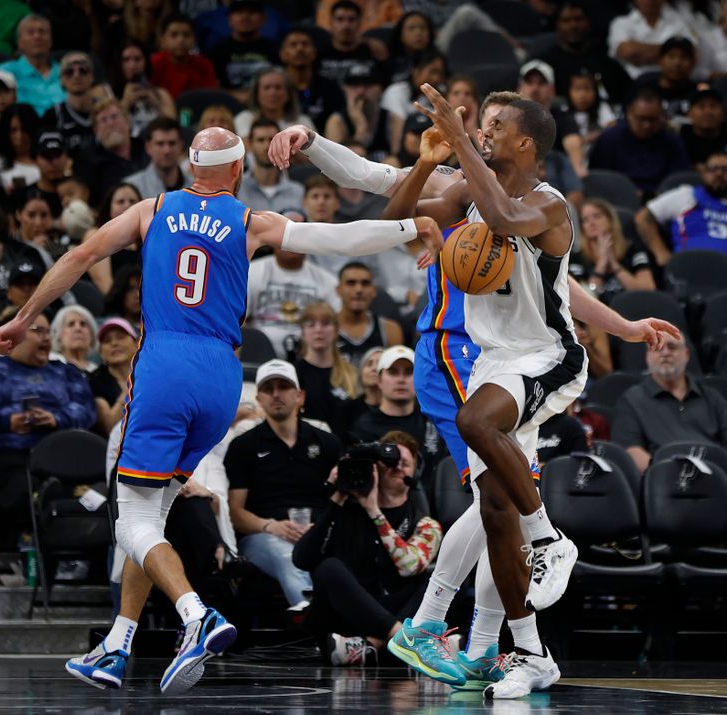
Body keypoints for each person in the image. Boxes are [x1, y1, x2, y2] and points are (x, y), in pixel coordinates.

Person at [0, 124, 442, 693]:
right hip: (224, 378)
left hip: (166, 361)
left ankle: (194, 615)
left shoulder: (152, 209)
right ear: (236, 172)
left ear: (188, 166)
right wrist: (411, 225)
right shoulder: (251, 222)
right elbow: (337, 240)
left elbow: (81, 254)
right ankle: (116, 644)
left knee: (129, 517)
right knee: (153, 515)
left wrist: (23, 317)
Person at [267, 94, 680, 698]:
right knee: (495, 505)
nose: (480, 132)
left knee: (495, 482)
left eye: (493, 126)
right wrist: (321, 142)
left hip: (541, 359)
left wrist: (623, 328)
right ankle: (522, 650)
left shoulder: (545, 202)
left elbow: (543, 266)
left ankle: (491, 594)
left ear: (524, 145)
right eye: (479, 124)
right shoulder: (465, 189)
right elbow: (390, 195)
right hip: (486, 357)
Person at [293, 430, 442, 666]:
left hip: (394, 606)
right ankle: (402, 641)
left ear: (416, 473)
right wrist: (336, 498)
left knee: (436, 578)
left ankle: (372, 646)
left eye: (405, 464)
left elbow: (409, 567)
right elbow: (301, 559)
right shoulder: (344, 511)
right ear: (375, 468)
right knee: (328, 568)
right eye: (390, 462)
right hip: (349, 611)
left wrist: (374, 510)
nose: (397, 468)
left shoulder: (426, 524)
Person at [0, 309, 96, 547]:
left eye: (48, 332)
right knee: (23, 487)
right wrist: (5, 421)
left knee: (76, 485)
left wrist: (56, 418)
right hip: (2, 454)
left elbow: (86, 409)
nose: (46, 338)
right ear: (13, 337)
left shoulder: (66, 372)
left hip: (58, 455)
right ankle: (30, 539)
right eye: (37, 331)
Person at [226, 358, 339, 609]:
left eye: (283, 386)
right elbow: (234, 511)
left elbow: (341, 500)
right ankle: (313, 623)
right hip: (263, 535)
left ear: (300, 396)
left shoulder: (327, 443)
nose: (276, 394)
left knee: (344, 555)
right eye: (268, 388)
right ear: (259, 399)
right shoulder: (243, 446)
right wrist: (271, 526)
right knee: (289, 556)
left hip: (319, 532)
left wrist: (319, 528)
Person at [612, 332, 727, 473]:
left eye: (672, 347)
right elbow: (630, 450)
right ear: (647, 356)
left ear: (686, 354)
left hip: (716, 478)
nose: (665, 353)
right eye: (658, 348)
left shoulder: (712, 398)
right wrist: (668, 476)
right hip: (664, 484)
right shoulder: (631, 400)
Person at [350, 344, 447, 498]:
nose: (401, 379)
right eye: (393, 372)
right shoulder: (362, 427)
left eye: (409, 372)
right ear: (379, 380)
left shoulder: (434, 422)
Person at [588, 87, 690, 201]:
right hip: (618, 200)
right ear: (629, 113)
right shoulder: (609, 139)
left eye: (652, 120)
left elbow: (679, 180)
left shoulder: (672, 141)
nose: (647, 125)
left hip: (662, 200)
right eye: (641, 119)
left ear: (662, 116)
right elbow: (599, 179)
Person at [635, 151, 727, 266]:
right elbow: (643, 217)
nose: (719, 174)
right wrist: (661, 253)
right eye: (713, 169)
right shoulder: (686, 195)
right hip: (690, 267)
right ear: (703, 173)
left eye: (725, 169)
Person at [534, 0, 632, 104]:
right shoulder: (543, 64)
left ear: (589, 23)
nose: (573, 26)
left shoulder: (607, 64)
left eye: (578, 19)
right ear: (557, 26)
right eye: (566, 21)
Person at [571, 198, 655, 304]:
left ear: (610, 220)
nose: (591, 223)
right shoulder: (577, 258)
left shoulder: (632, 250)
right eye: (585, 220)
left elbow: (648, 290)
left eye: (597, 216)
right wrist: (601, 266)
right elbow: (580, 302)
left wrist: (614, 265)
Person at [294, 301, 358, 434]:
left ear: (336, 330)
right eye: (310, 324)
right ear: (302, 332)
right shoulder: (293, 372)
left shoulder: (351, 373)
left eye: (326, 323)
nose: (318, 330)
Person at [73, 99, 148, 206]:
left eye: (114, 116)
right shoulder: (88, 163)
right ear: (96, 130)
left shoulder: (147, 148)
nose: (110, 123)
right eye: (103, 120)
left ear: (127, 121)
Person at [0, 14, 65, 117]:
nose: (37, 36)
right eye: (31, 32)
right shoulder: (4, 72)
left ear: (51, 40)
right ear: (19, 42)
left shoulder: (67, 72)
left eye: (42, 32)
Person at [208, 0, 278, 104]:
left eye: (251, 12)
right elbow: (212, 86)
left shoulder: (275, 49)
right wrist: (234, 95)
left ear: (263, 19)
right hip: (227, 104)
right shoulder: (216, 51)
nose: (245, 17)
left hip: (267, 103)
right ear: (230, 19)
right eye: (239, 12)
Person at [335, 261, 403, 367]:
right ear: (338, 290)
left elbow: (397, 374)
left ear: (374, 291)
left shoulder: (390, 330)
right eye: (351, 283)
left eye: (365, 283)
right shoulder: (323, 330)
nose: (359, 289)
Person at [279, 29, 345, 136]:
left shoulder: (330, 87)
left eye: (305, 44)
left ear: (314, 53)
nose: (300, 49)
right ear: (283, 55)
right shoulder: (277, 88)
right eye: (293, 45)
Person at [82, 183, 143, 295]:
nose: (127, 205)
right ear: (109, 209)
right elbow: (105, 285)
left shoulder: (148, 238)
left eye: (132, 201)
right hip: (114, 305)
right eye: (120, 201)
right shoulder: (95, 234)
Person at [608, 0, 693, 79]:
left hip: (673, 83)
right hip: (632, 84)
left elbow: (692, 53)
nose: (651, 1)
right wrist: (672, 50)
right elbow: (628, 52)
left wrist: (639, 50)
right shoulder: (621, 23)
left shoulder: (679, 23)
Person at [113, 38, 177, 140]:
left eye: (137, 59)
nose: (132, 65)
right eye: (126, 60)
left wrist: (155, 101)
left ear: (146, 62)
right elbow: (111, 129)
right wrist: (125, 102)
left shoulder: (161, 94)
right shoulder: (110, 94)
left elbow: (173, 127)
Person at [236, 119, 305, 213]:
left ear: (282, 143)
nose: (267, 146)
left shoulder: (298, 191)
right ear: (250, 144)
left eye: (272, 140)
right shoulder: (237, 189)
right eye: (260, 140)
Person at [88, 317, 139, 435]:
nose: (114, 343)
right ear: (100, 352)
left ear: (137, 343)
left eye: (120, 337)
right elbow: (110, 427)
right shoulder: (94, 382)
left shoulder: (152, 375)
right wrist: (130, 388)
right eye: (106, 340)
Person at [234, 66, 316, 139]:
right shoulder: (244, 119)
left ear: (288, 94)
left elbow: (315, 152)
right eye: (267, 88)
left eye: (278, 87)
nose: (272, 92)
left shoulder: (303, 122)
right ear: (256, 94)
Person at [150, 13, 217, 99]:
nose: (181, 40)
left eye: (186, 35)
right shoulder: (153, 64)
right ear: (162, 41)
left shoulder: (204, 65)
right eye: (174, 35)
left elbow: (209, 96)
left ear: (194, 40)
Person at [124, 117, 193, 198]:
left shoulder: (195, 187)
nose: (167, 150)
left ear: (181, 146)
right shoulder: (130, 189)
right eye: (160, 144)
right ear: (148, 147)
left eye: (172, 143)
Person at [634, 35, 697, 124]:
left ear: (693, 63)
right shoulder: (643, 88)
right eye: (671, 56)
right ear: (660, 60)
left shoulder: (698, 93)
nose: (677, 63)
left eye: (684, 57)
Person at [44, 52, 96, 157]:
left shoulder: (106, 111)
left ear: (92, 77)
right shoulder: (52, 116)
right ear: (61, 80)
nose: (76, 75)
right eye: (69, 72)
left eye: (83, 70)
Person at [679, 86, 727, 171]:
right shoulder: (680, 139)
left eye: (713, 106)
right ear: (690, 113)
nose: (708, 112)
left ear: (723, 113)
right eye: (701, 106)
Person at [49, 304, 98, 373]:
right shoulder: (50, 363)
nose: (78, 328)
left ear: (91, 335)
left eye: (83, 324)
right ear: (58, 335)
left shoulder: (98, 372)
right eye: (71, 324)